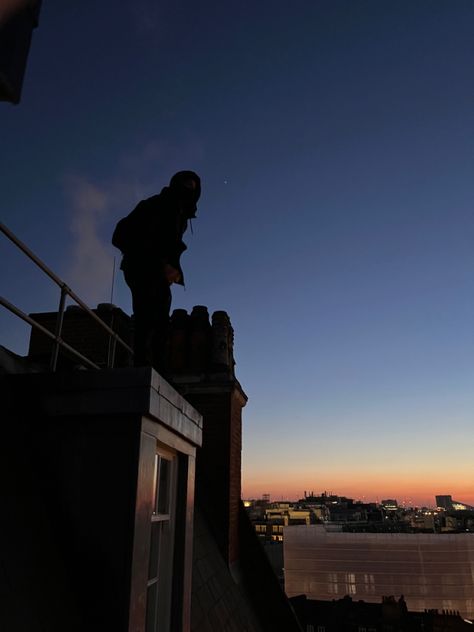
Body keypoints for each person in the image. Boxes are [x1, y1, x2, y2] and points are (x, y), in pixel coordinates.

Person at [112, 170, 201, 372]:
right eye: (185, 187)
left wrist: (171, 268)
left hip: (156, 273)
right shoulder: (156, 205)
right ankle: (143, 367)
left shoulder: (180, 216)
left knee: (160, 320)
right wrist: (162, 264)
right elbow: (126, 236)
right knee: (147, 317)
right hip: (142, 269)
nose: (188, 192)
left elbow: (166, 246)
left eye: (192, 190)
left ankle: (158, 371)